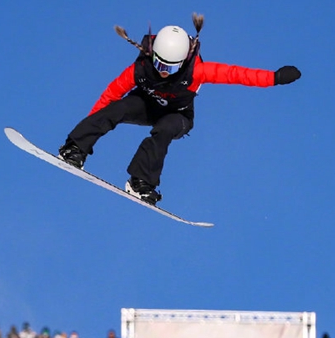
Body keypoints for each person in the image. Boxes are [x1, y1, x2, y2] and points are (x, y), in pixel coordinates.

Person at [58, 13, 301, 206]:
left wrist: (275, 78)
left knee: (165, 129)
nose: (163, 71)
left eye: (170, 67)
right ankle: (74, 149)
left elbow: (236, 74)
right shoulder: (140, 69)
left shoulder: (198, 71)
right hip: (145, 105)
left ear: (182, 62)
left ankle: (141, 182)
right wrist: (85, 132)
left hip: (178, 115)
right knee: (119, 107)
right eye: (159, 63)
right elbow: (109, 97)